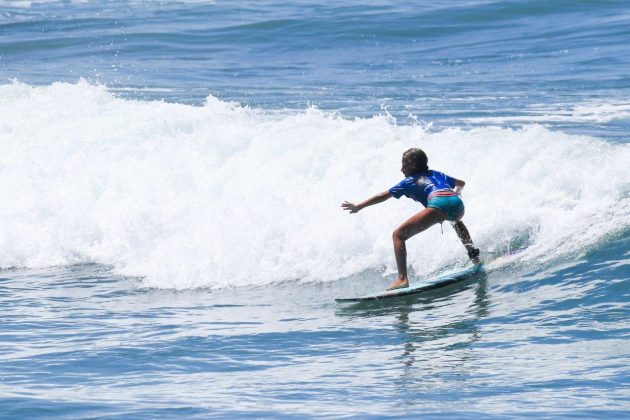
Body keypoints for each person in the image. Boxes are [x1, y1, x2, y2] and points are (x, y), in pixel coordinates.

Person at [341, 148, 480, 290]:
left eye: (404, 165)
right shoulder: (437, 174)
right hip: (457, 203)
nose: (401, 169)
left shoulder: (409, 181)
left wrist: (359, 206)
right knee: (456, 222)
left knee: (398, 235)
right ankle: (475, 257)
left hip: (438, 203)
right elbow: (461, 183)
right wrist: (455, 195)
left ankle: (402, 279)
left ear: (412, 166)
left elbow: (382, 195)